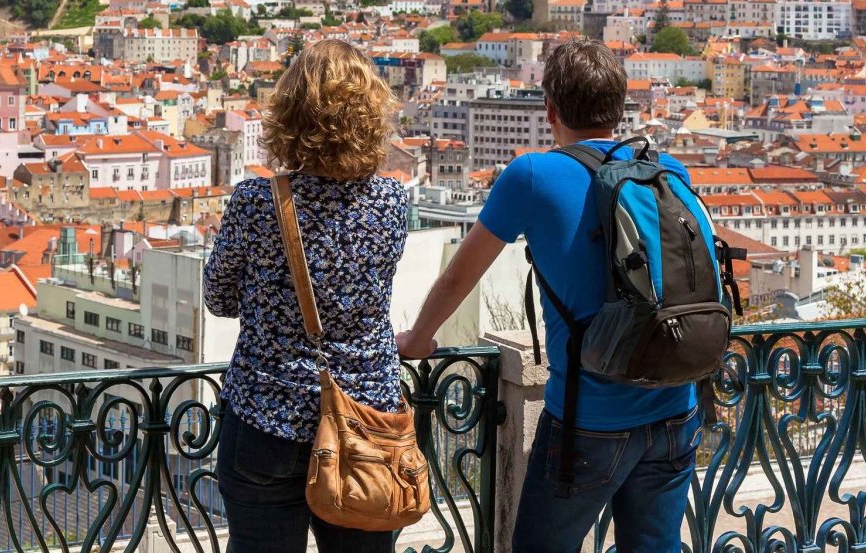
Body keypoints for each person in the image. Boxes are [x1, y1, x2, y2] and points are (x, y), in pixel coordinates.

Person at [396, 38, 700, 553]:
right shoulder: (666, 169)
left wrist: (420, 338)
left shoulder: (532, 175)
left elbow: (458, 276)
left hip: (590, 419)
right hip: (676, 407)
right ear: (620, 106)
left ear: (551, 110)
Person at [204, 39, 407, 553]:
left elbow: (219, 299)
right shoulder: (391, 202)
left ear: (290, 112)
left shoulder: (256, 202)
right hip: (366, 425)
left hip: (265, 418)